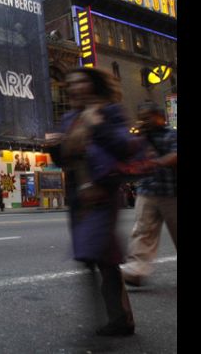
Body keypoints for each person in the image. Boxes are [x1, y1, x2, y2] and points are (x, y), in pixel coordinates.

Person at [45, 67, 137, 337]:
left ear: (94, 84)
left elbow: (124, 147)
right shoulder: (69, 118)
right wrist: (55, 147)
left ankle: (119, 318)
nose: (75, 87)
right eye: (71, 83)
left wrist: (97, 124)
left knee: (101, 255)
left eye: (81, 82)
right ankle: (114, 315)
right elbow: (64, 159)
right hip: (78, 194)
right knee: (89, 255)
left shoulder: (109, 111)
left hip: (102, 192)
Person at [121, 103, 177, 287]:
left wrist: (156, 162)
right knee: (143, 231)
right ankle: (136, 269)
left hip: (171, 193)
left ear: (160, 117)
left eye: (148, 116)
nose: (144, 120)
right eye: (142, 117)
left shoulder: (171, 135)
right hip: (146, 191)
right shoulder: (140, 138)